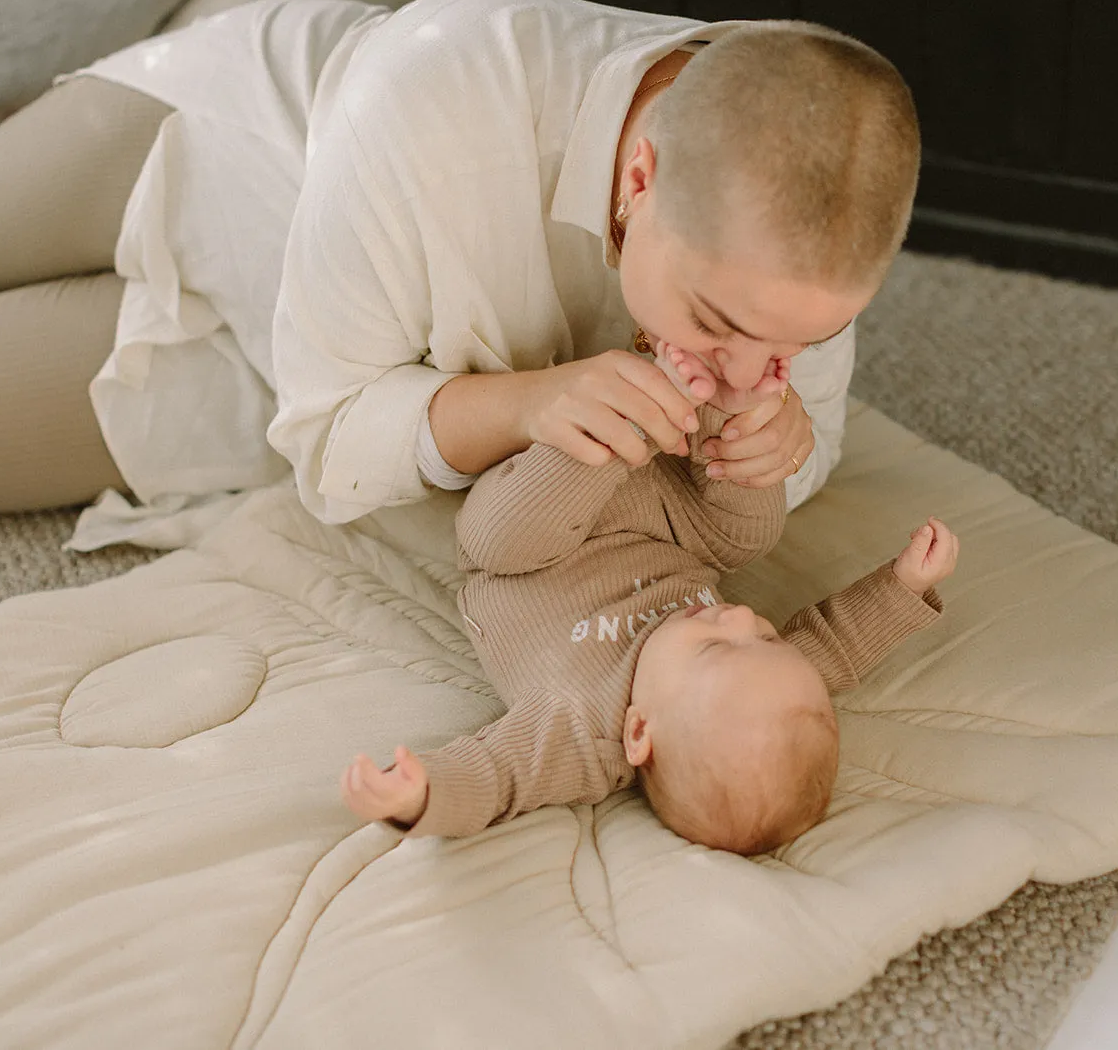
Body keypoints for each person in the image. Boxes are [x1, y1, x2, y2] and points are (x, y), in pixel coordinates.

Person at [0, 0, 920, 551]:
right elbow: (338, 438)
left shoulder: (805, 206)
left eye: (804, 339)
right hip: (224, 148)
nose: (747, 373)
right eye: (718, 323)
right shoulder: (445, 94)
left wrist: (777, 447)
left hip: (300, 336)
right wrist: (536, 398)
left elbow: (809, 433)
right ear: (638, 178)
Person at [339, 338, 958, 854]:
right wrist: (904, 586)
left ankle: (636, 409)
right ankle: (731, 401)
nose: (740, 616)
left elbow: (501, 775)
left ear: (640, 732)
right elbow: (835, 646)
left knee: (501, 537)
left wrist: (419, 797)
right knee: (753, 534)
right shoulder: (758, 684)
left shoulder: (581, 734)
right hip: (665, 518)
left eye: (717, 648)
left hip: (534, 542)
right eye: (765, 637)